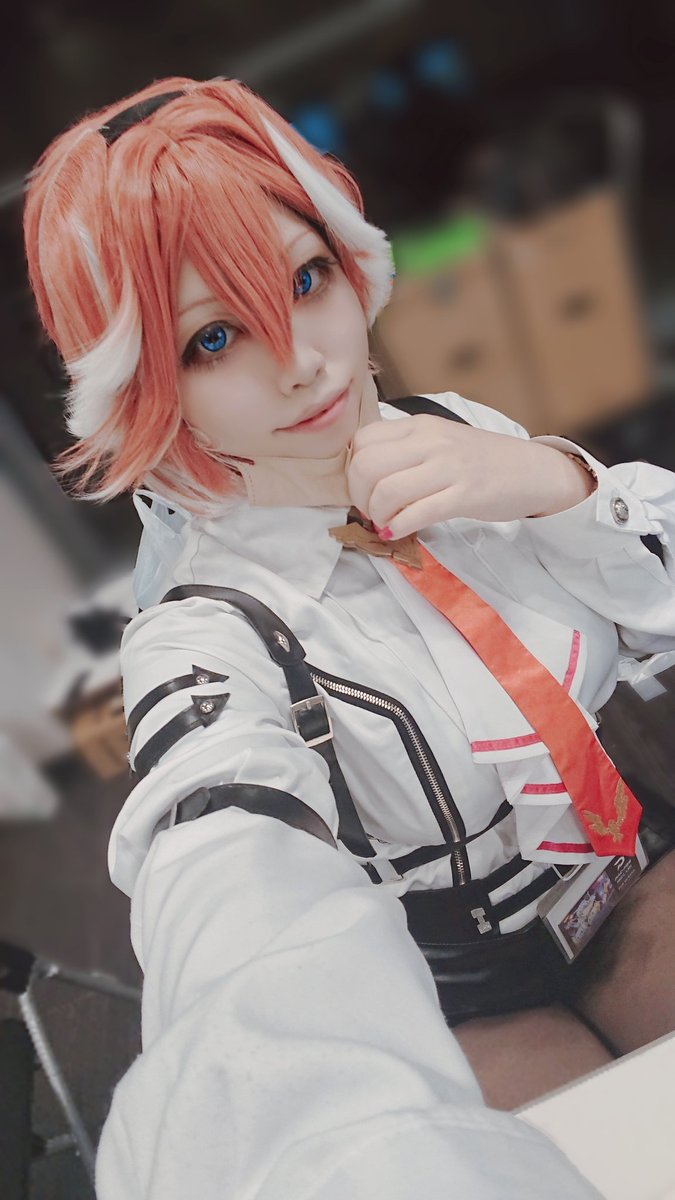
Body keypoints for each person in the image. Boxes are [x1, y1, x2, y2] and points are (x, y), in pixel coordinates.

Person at [23, 75, 675, 1199]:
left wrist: (559, 483)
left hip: (624, 878)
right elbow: (227, 880)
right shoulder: (202, 636)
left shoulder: (455, 430)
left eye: (304, 279)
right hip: (456, 995)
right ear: (148, 390)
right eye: (215, 338)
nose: (301, 359)